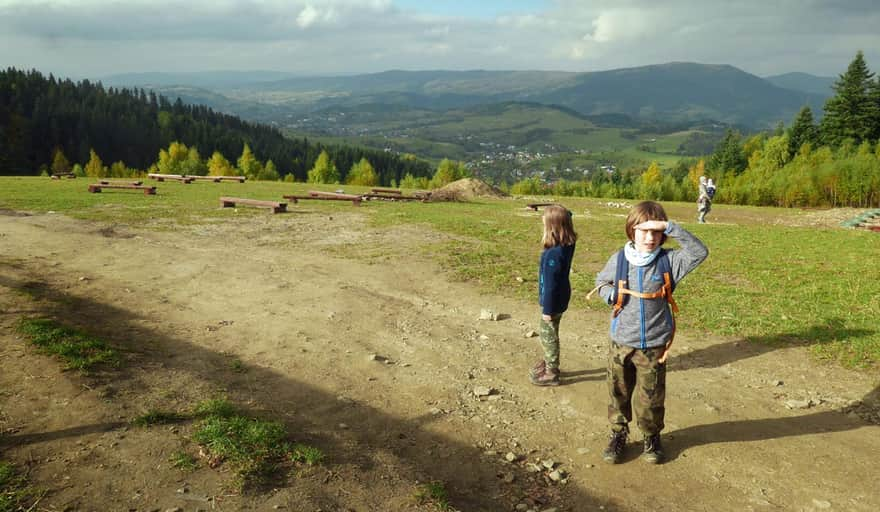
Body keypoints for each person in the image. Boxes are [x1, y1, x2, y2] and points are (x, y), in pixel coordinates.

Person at [592, 201, 708, 464]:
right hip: (621, 341)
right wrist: (609, 294)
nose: (650, 237)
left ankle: (651, 437)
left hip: (654, 344)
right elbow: (601, 282)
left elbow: (700, 252)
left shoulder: (669, 261)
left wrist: (669, 226)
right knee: (618, 391)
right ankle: (618, 433)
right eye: (643, 230)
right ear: (631, 231)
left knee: (651, 396)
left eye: (656, 232)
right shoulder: (619, 259)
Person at [529, 204, 577, 387]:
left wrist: (547, 310)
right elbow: (568, 217)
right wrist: (564, 213)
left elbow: (550, 286)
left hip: (553, 301)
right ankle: (550, 363)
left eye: (545, 222)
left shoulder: (553, 255)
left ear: (552, 228)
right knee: (552, 331)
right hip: (562, 296)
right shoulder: (568, 244)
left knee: (548, 334)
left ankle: (552, 371)